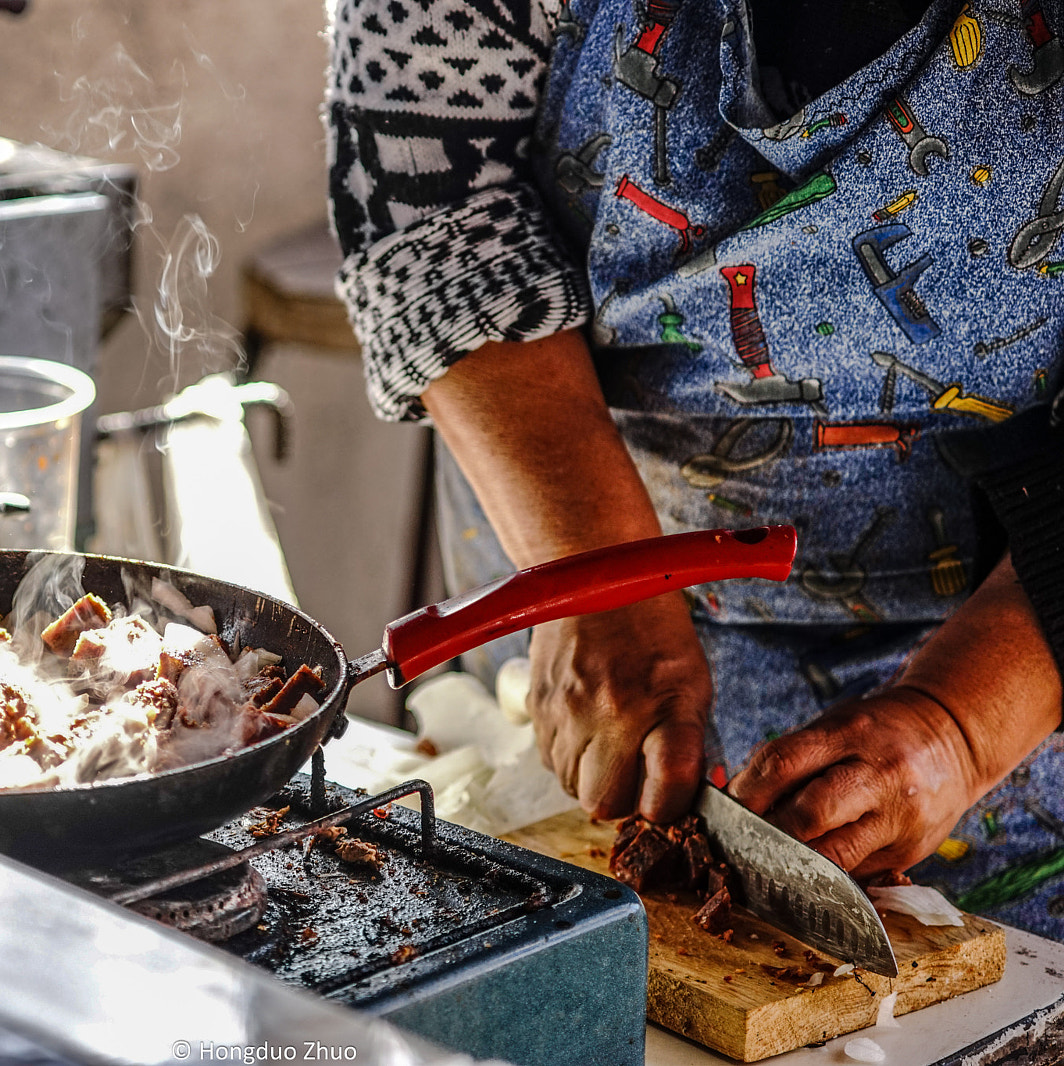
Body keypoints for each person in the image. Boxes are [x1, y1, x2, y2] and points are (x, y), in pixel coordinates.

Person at [328, 0, 1064, 935]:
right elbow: (424, 189)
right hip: (568, 599)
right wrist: (588, 575)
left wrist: (963, 726)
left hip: (1021, 672)